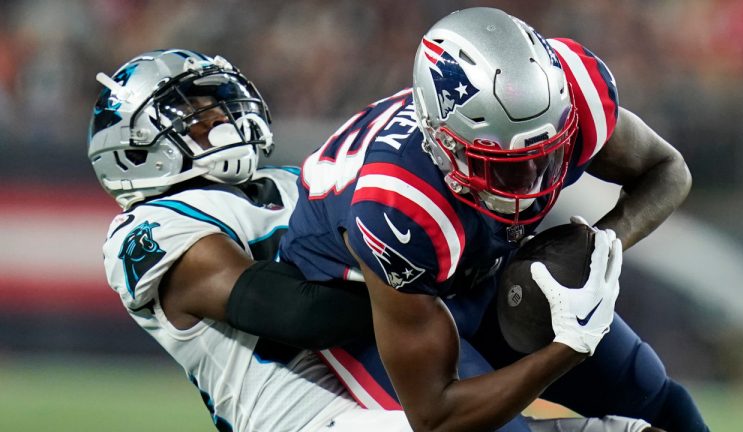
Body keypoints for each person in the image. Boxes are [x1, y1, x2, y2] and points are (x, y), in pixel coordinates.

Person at [88, 48, 652, 432]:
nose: (226, 120)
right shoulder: (149, 229)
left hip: (380, 391)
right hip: (305, 417)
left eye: (222, 104)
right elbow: (292, 310)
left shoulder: (288, 183)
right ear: (134, 147)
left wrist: (419, 276)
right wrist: (419, 275)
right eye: (199, 117)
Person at [279, 7, 709, 432]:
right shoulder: (398, 206)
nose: (529, 181)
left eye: (545, 155)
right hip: (370, 299)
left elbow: (667, 170)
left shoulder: (576, 99)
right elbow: (436, 414)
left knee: (649, 391)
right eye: (503, 166)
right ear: (444, 145)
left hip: (480, 266)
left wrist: (599, 248)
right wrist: (567, 347)